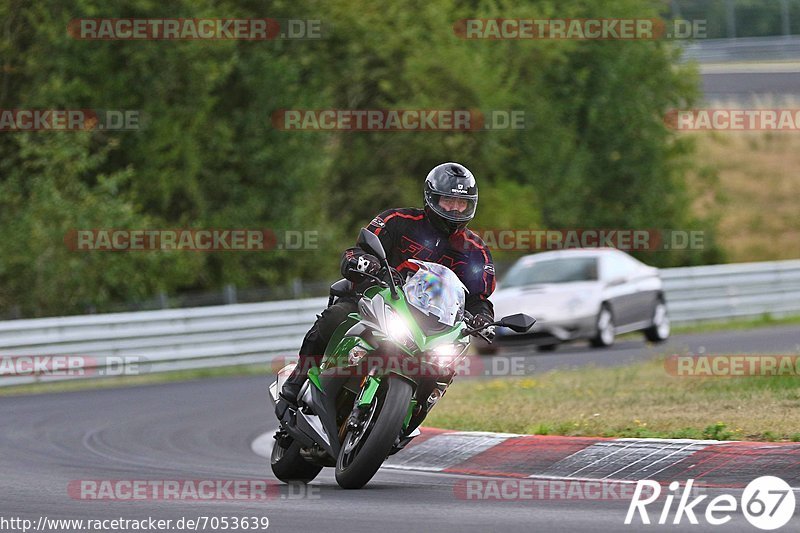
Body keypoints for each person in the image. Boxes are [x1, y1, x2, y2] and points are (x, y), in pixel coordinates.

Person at [276, 162, 496, 411]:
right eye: (448, 200)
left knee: (445, 366)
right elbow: (356, 251)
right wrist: (363, 261)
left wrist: (483, 319)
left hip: (432, 324)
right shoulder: (397, 220)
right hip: (376, 301)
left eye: (462, 203)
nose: (455, 208)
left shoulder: (476, 251)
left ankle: (414, 411)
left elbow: (479, 298)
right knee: (334, 317)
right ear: (432, 198)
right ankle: (297, 380)